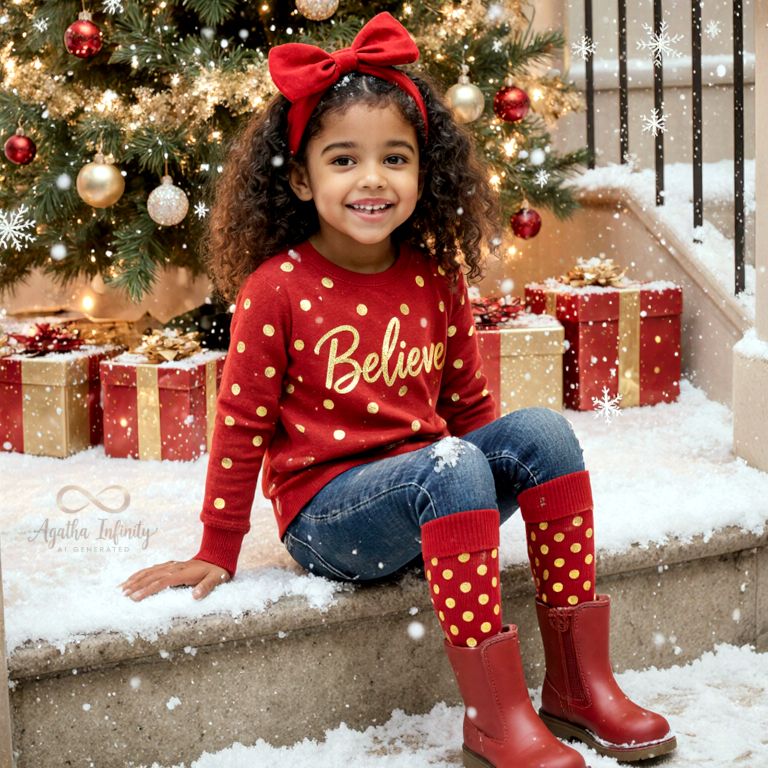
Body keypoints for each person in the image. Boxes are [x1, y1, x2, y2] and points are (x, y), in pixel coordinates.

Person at [119, 13, 676, 768]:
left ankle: (580, 685)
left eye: (395, 158)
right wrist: (217, 546)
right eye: (343, 159)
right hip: (328, 515)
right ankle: (494, 715)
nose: (372, 179)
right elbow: (242, 422)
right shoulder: (277, 288)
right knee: (450, 464)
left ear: (425, 171)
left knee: (541, 433)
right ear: (301, 177)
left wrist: (484, 481)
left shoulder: (434, 277)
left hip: (432, 491)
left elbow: (469, 408)